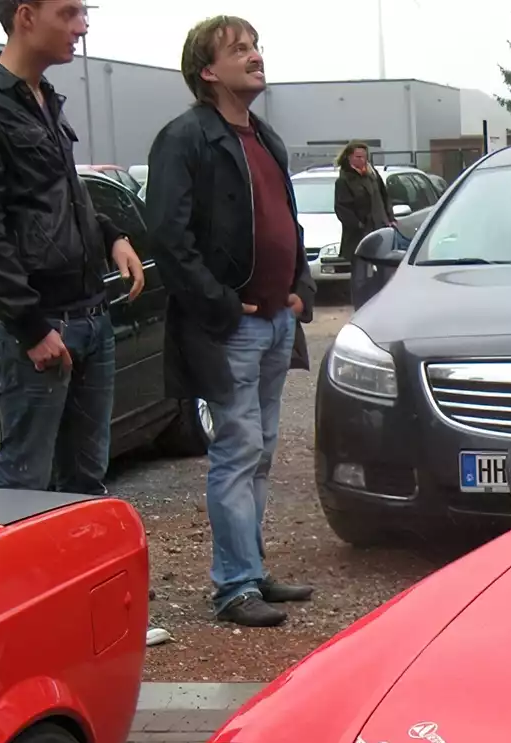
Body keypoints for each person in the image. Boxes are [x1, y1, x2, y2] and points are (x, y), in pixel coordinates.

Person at [146, 15, 315, 628]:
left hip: (275, 321)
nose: (254, 55)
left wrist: (300, 288)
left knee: (262, 451)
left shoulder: (264, 137)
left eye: (256, 46)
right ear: (207, 70)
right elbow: (168, 232)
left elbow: (288, 223)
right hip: (232, 327)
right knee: (237, 451)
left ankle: (251, 568)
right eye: (239, 49)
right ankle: (234, 586)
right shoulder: (186, 137)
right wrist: (218, 302)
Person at [0, 0, 146, 495]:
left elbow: (60, 193)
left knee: (85, 480)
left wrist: (111, 235)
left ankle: (78, 572)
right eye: (70, 12)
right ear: (26, 16)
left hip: (92, 316)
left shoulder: (44, 98)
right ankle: (17, 576)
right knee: (24, 486)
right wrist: (30, 327)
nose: (83, 25)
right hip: (43, 328)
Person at [334, 142, 391, 261]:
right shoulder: (345, 180)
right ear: (349, 157)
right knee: (360, 270)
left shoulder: (373, 175)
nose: (362, 160)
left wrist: (390, 218)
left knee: (384, 266)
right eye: (358, 157)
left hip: (380, 228)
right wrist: (358, 225)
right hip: (360, 233)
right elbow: (342, 208)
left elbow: (384, 196)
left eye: (364, 157)